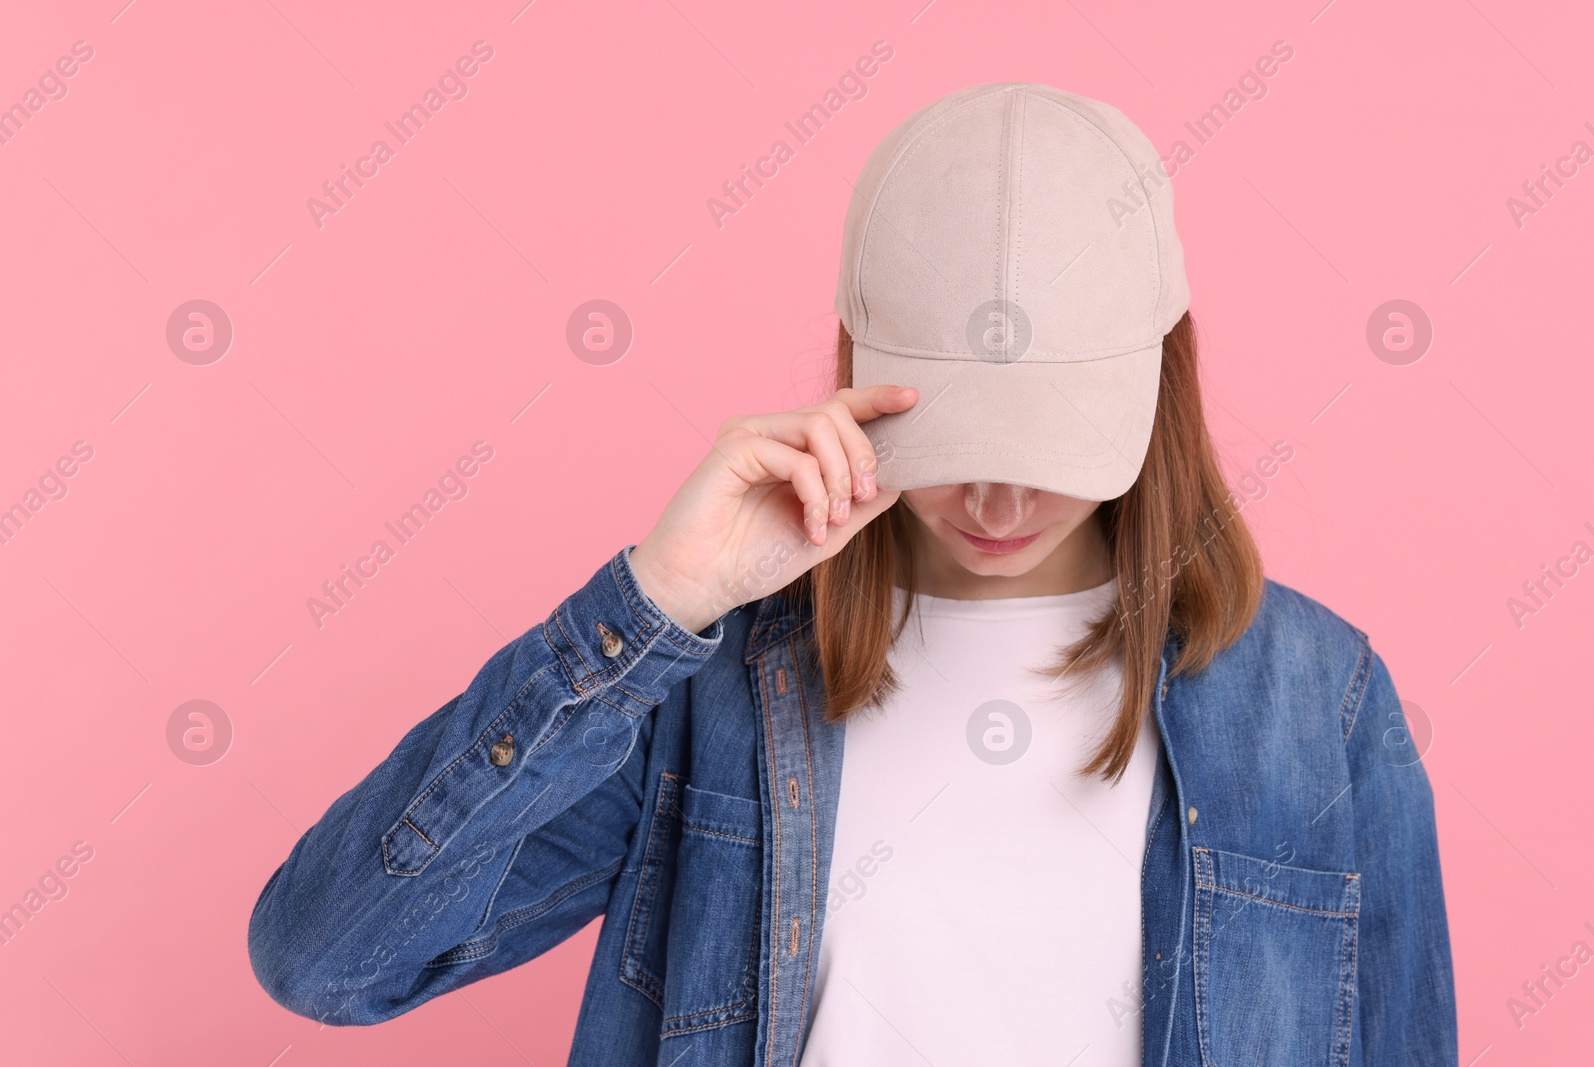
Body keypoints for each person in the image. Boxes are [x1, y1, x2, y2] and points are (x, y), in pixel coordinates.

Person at [248, 83, 1457, 1066]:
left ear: (1155, 382)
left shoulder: (1318, 699)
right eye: (951, 445)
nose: (994, 504)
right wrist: (655, 607)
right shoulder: (708, 686)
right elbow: (326, 957)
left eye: (1042, 452)